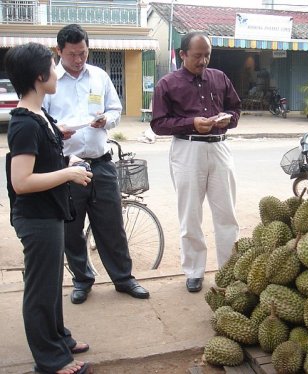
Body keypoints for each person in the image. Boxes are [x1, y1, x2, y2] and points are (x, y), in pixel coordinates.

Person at [43, 24, 149, 304]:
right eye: (72, 54)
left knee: (111, 225)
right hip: (67, 167)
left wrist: (108, 120)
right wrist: (57, 132)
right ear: (59, 51)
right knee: (71, 229)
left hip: (101, 164)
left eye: (83, 53)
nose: (79, 60)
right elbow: (41, 121)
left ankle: (124, 278)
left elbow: (116, 109)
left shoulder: (99, 76)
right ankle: (82, 279)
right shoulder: (49, 81)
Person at [6, 43, 93, 374]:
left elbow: (44, 159)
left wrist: (68, 161)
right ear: (40, 77)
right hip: (36, 218)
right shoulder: (24, 123)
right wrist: (68, 174)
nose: (57, 73)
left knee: (52, 284)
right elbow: (22, 181)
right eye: (53, 68)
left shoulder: (41, 115)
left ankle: (59, 340)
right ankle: (51, 361)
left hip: (50, 213)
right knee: (40, 290)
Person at [150, 31, 241, 293]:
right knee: (190, 215)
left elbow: (236, 108)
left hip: (220, 148)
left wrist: (227, 119)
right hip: (187, 149)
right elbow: (158, 124)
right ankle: (193, 271)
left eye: (207, 55)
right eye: (197, 56)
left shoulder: (219, 77)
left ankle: (229, 271)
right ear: (182, 55)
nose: (203, 61)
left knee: (227, 214)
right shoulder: (167, 84)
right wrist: (191, 123)